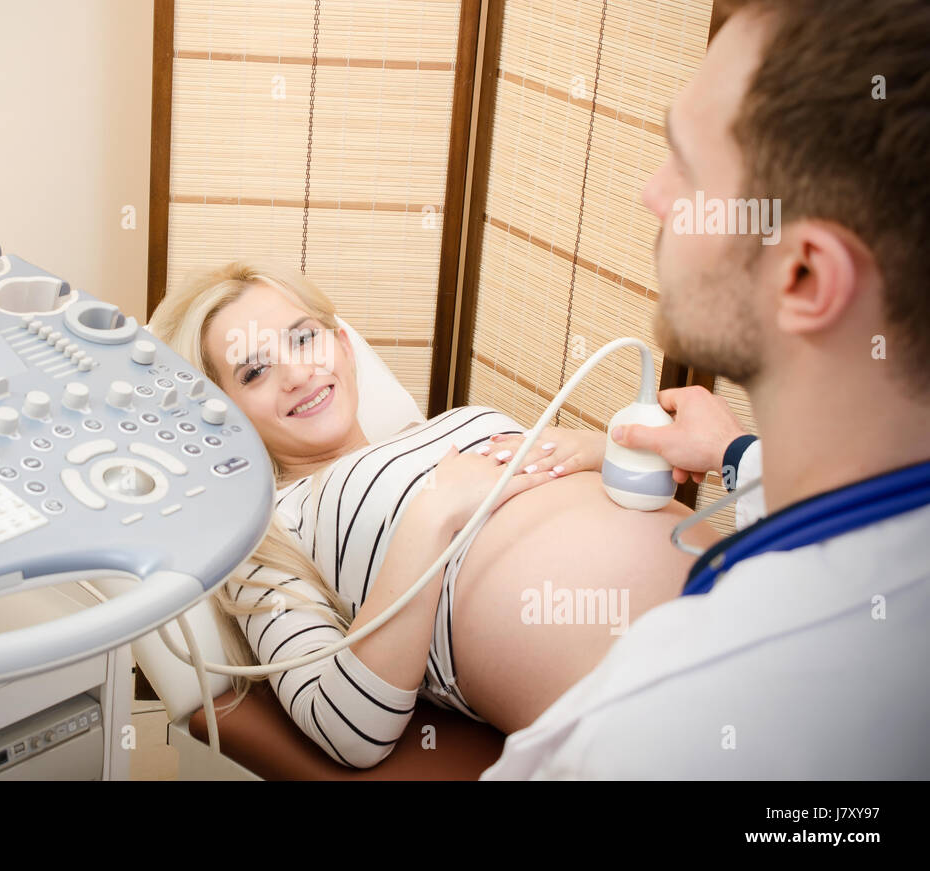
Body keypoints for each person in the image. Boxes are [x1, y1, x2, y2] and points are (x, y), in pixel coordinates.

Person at [481, 0, 930, 779]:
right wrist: (736, 454)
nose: (652, 195)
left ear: (803, 274)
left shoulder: (665, 728)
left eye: (684, 167)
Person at [146, 261, 721, 769]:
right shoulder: (271, 534)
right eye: (253, 372)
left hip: (748, 592)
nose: (297, 373)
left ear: (344, 345)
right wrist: (432, 516)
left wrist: (605, 449)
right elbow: (348, 730)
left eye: (303, 339)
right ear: (225, 419)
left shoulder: (449, 425)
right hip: (655, 702)